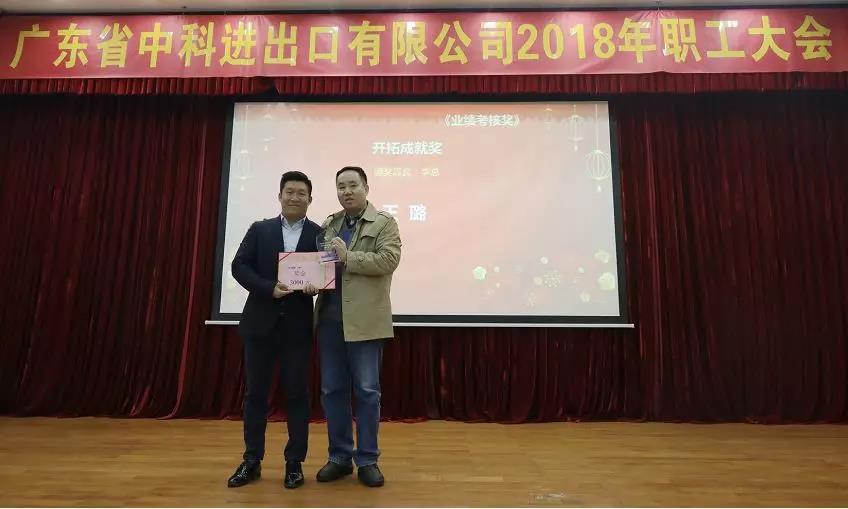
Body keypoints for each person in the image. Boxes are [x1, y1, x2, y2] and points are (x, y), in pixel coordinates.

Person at [227, 171, 322, 490]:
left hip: (297, 328)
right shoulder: (260, 229)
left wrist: (316, 286)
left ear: (310, 199)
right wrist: (269, 288)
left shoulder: (319, 234)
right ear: (279, 196)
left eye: (301, 193)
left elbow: (326, 274)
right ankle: (252, 460)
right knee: (255, 395)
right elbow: (239, 266)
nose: (295, 197)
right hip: (260, 325)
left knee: (297, 394)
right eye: (289, 192)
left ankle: (294, 463)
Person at [314, 166, 402, 488]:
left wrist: (349, 257)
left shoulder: (384, 223)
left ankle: (367, 459)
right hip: (330, 320)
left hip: (365, 322)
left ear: (366, 187)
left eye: (353, 185)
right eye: (341, 186)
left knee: (366, 391)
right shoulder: (330, 223)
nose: (347, 191)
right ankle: (339, 457)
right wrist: (308, 280)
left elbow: (388, 261)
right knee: (332, 391)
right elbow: (321, 266)